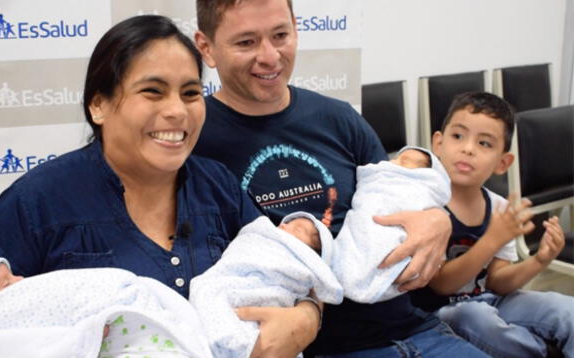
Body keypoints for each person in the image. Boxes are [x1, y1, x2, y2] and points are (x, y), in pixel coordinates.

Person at [0, 14, 323, 357]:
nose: (177, 110)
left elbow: (283, 262)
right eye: (153, 91)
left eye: (191, 93)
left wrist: (308, 316)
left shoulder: (218, 187)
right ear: (99, 105)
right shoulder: (37, 204)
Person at [192, 0, 488, 356]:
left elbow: (393, 192)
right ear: (206, 48)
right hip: (322, 346)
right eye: (246, 42)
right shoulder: (194, 140)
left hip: (414, 329)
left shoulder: (338, 118)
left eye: (280, 35)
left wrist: (438, 217)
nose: (270, 57)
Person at [410, 91, 574, 358]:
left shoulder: (499, 208)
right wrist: (491, 240)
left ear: (502, 163)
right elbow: (441, 285)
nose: (468, 148)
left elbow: (498, 282)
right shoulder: (425, 204)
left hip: (490, 301)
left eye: (485, 143)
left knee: (565, 309)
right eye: (458, 136)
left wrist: (539, 260)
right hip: (439, 313)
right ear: (438, 144)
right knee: (473, 316)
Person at [0, 254, 212, 358]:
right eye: (6, 284)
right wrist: (84, 333)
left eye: (12, 274)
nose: (20, 281)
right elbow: (34, 342)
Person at [190, 211, 344, 358]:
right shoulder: (260, 237)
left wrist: (309, 314)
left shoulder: (299, 260)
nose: (283, 226)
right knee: (209, 289)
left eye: (297, 229)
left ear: (310, 254)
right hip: (234, 282)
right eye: (285, 223)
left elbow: (319, 284)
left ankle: (233, 342)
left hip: (272, 299)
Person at [332, 147, 451, 304]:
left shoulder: (416, 185)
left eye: (405, 162)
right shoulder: (382, 175)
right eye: (396, 159)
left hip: (401, 309)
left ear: (425, 175)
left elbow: (425, 207)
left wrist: (441, 219)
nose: (394, 163)